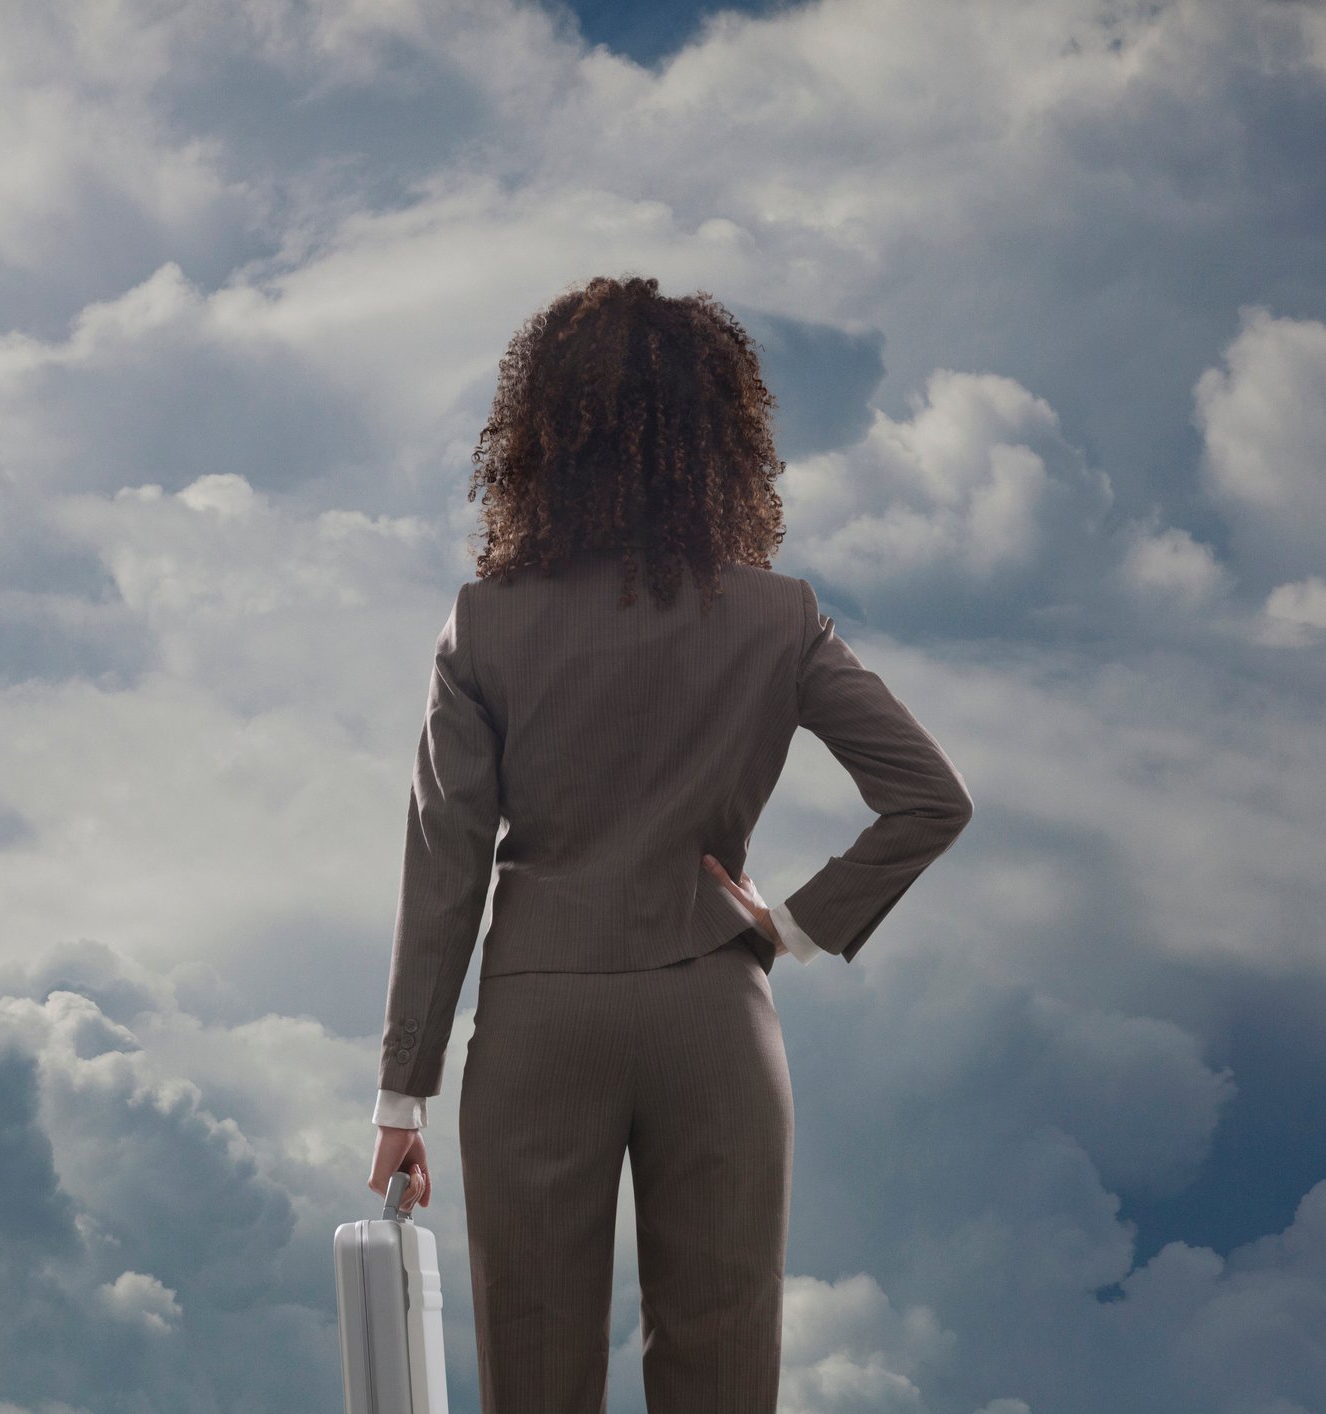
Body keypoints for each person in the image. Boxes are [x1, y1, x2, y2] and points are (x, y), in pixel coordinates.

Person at [363, 276, 973, 1412]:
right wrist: (793, 924)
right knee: (723, 1365)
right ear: (720, 436)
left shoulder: (485, 623)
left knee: (535, 1374)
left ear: (539, 436)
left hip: (539, 1019)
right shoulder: (780, 617)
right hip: (715, 1014)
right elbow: (930, 797)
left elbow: (444, 868)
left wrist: (405, 1096)